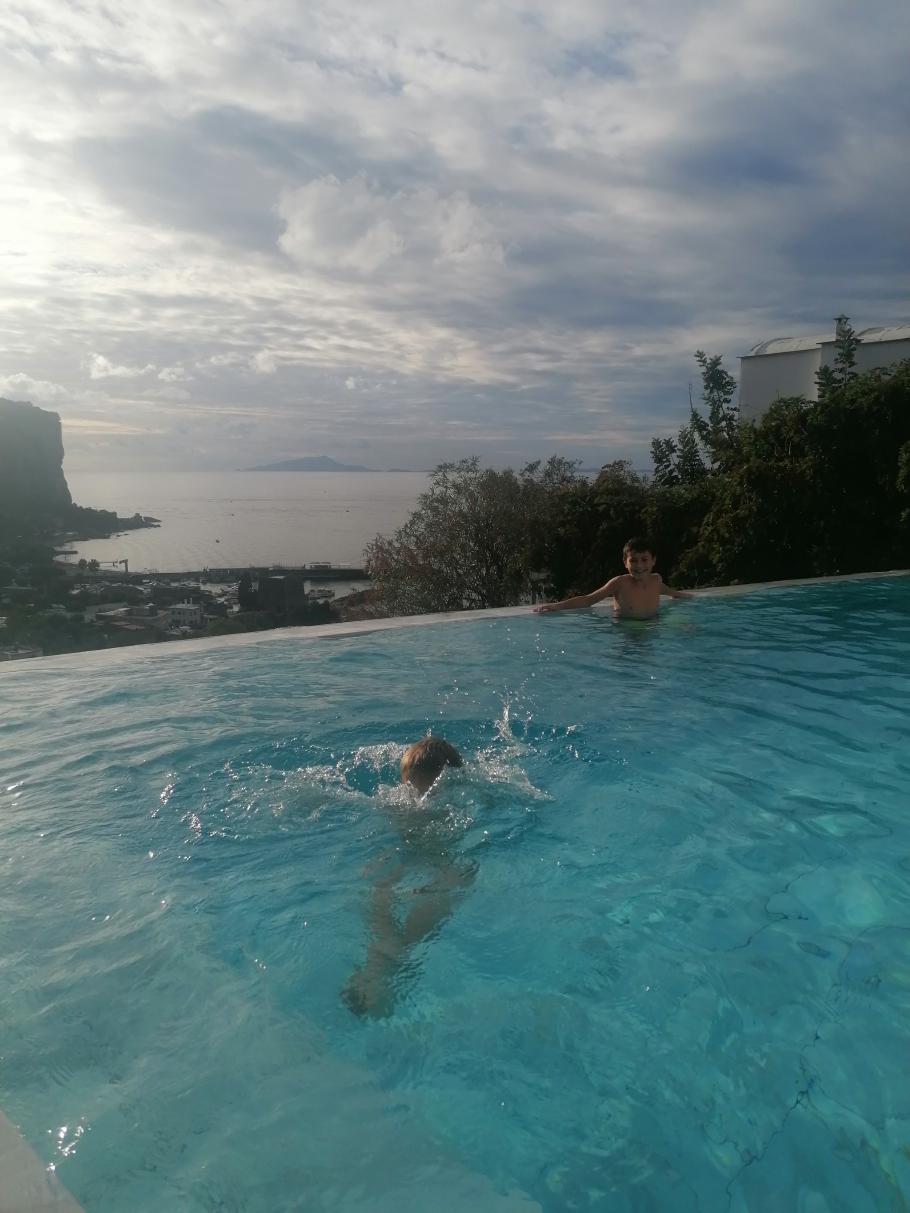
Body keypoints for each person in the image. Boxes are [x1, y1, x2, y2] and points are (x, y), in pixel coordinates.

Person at [342, 737, 474, 1018]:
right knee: (448, 886)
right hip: (432, 864)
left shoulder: (402, 804)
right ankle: (379, 975)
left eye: (421, 789)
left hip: (416, 861)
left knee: (395, 917)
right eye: (409, 788)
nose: (416, 796)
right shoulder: (456, 799)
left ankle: (377, 973)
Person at [534, 536, 693, 620]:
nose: (639, 566)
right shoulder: (620, 583)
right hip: (629, 627)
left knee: (689, 628)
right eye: (633, 561)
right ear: (625, 562)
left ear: (654, 561)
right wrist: (558, 606)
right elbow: (589, 600)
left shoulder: (655, 580)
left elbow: (666, 590)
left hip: (654, 623)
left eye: (644, 560)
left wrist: (682, 595)